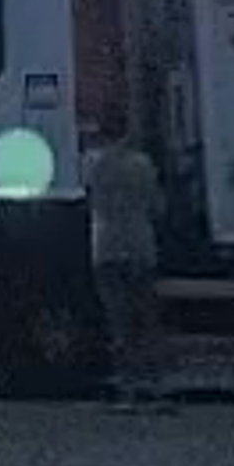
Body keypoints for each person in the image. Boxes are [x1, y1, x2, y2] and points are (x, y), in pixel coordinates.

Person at [83, 119, 166, 401]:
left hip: (106, 246)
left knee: (118, 321)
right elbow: (158, 206)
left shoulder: (93, 165)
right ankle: (155, 385)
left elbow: (88, 201)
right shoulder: (143, 165)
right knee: (146, 319)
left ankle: (126, 388)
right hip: (141, 245)